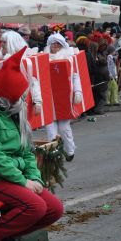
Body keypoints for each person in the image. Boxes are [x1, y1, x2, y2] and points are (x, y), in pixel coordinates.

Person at [0, 47, 64, 241]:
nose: (27, 100)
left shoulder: (17, 119)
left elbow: (28, 153)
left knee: (54, 209)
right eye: (23, 96)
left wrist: (34, 178)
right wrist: (22, 180)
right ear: (13, 97)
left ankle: (6, 234)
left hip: (13, 176)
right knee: (35, 207)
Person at [45, 33, 81, 161]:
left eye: (57, 44)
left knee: (64, 128)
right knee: (50, 130)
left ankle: (70, 150)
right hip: (49, 98)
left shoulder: (69, 59)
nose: (54, 46)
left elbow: (75, 76)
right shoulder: (43, 59)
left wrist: (78, 91)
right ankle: (53, 154)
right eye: (52, 44)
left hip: (64, 99)